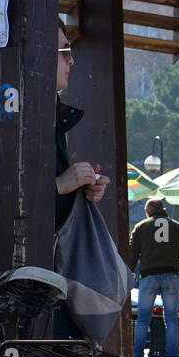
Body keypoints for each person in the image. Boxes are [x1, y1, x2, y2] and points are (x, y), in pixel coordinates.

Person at [54, 18, 108, 339]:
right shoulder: (18, 114)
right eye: (64, 51)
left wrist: (83, 188)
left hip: (54, 278)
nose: (71, 60)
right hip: (35, 280)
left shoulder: (54, 116)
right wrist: (61, 184)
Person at [128, 199, 179, 357]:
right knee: (171, 321)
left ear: (148, 210)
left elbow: (132, 255)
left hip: (148, 276)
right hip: (171, 276)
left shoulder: (141, 227)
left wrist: (128, 277)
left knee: (142, 320)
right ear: (162, 210)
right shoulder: (178, 227)